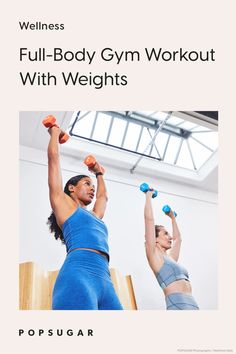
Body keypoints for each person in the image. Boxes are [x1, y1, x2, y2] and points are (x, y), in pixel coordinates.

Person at [46, 125, 123, 310]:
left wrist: (98, 173)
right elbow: (53, 160)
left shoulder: (95, 215)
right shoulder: (63, 205)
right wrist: (55, 132)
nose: (92, 188)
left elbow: (103, 197)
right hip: (78, 273)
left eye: (92, 186)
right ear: (71, 188)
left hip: (105, 278)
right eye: (86, 184)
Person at [143, 189, 199, 310]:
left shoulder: (171, 258)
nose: (170, 237)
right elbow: (149, 220)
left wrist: (173, 218)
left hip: (193, 305)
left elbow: (178, 239)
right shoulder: (155, 257)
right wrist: (148, 195)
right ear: (155, 239)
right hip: (178, 306)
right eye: (165, 234)